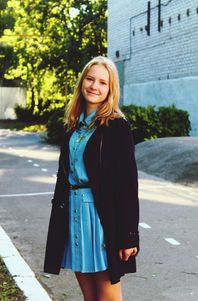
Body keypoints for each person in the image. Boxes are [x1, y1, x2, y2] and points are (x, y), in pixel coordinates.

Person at [44, 56, 139, 301]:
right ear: (82, 82)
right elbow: (64, 177)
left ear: (110, 89)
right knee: (90, 297)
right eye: (90, 79)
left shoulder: (117, 126)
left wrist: (129, 235)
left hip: (101, 217)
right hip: (73, 215)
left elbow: (128, 185)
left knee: (108, 296)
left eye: (102, 82)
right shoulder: (73, 127)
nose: (94, 86)